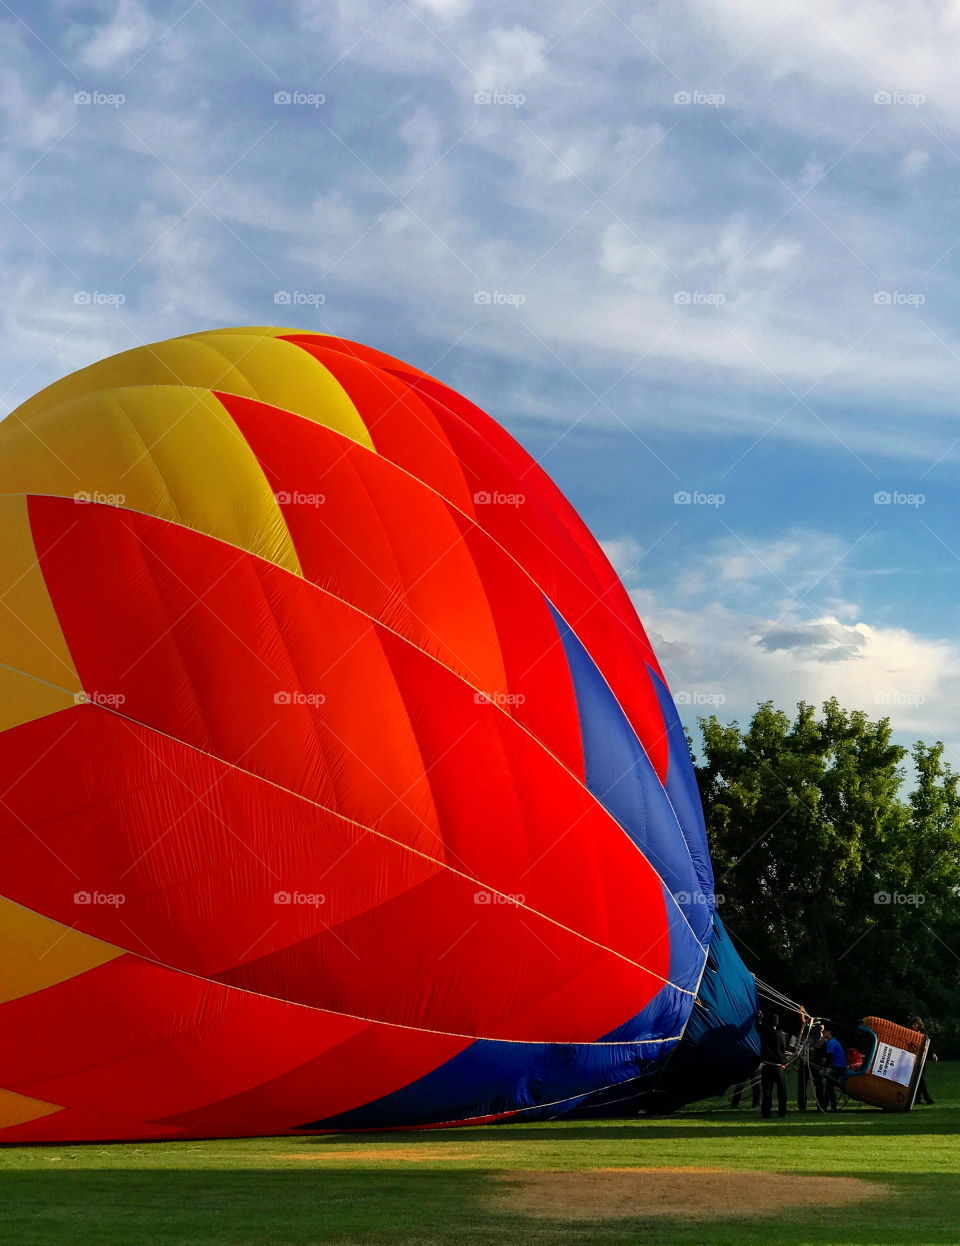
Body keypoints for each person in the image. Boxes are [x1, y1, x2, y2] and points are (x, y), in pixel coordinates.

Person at [759, 1012, 788, 1118]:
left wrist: (759, 1017)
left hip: (767, 1066)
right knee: (782, 1091)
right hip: (779, 1067)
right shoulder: (781, 1034)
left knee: (767, 1091)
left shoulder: (764, 1032)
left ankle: (766, 1113)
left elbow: (758, 1026)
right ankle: (782, 1112)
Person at [797, 1021, 825, 1111]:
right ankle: (802, 1106)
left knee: (819, 1084)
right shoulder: (808, 1036)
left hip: (816, 1063)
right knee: (803, 1085)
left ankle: (820, 1105)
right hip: (806, 1062)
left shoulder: (821, 1039)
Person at [910, 1017, 937, 1105]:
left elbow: (929, 1046)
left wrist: (933, 1054)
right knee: (920, 1080)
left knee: (920, 1080)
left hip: (922, 1060)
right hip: (913, 1060)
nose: (914, 1026)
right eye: (913, 1024)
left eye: (916, 1024)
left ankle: (918, 1099)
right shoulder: (910, 1034)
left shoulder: (924, 1035)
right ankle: (927, 1099)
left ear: (919, 1025)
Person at [821, 1026, 847, 1111]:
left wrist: (825, 1069)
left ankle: (826, 1106)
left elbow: (829, 1057)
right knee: (829, 1086)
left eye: (824, 1031)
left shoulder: (831, 1043)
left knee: (828, 1086)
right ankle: (831, 1107)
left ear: (829, 1032)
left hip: (837, 1067)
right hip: (839, 1066)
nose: (823, 1033)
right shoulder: (834, 1041)